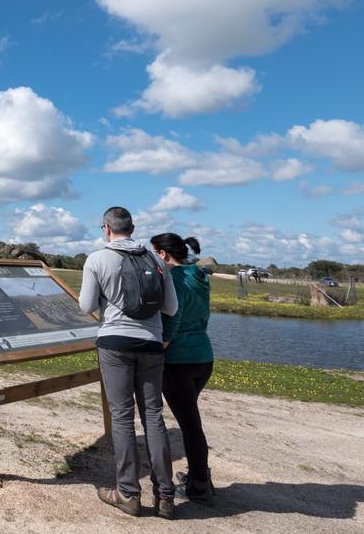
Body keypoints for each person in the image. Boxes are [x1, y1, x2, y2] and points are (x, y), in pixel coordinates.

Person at [79, 207, 179, 519]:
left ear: (106, 228)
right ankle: (166, 496)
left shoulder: (97, 259)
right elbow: (172, 308)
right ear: (132, 228)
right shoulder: (157, 261)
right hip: (151, 343)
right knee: (154, 416)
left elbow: (86, 305)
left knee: (122, 417)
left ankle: (128, 493)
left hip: (115, 344)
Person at [153, 233, 215, 505]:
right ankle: (199, 476)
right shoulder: (198, 276)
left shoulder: (174, 280)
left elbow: (172, 321)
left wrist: (158, 349)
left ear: (163, 254)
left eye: (154, 253)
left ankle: (199, 484)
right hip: (203, 357)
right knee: (191, 420)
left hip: (179, 361)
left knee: (190, 425)